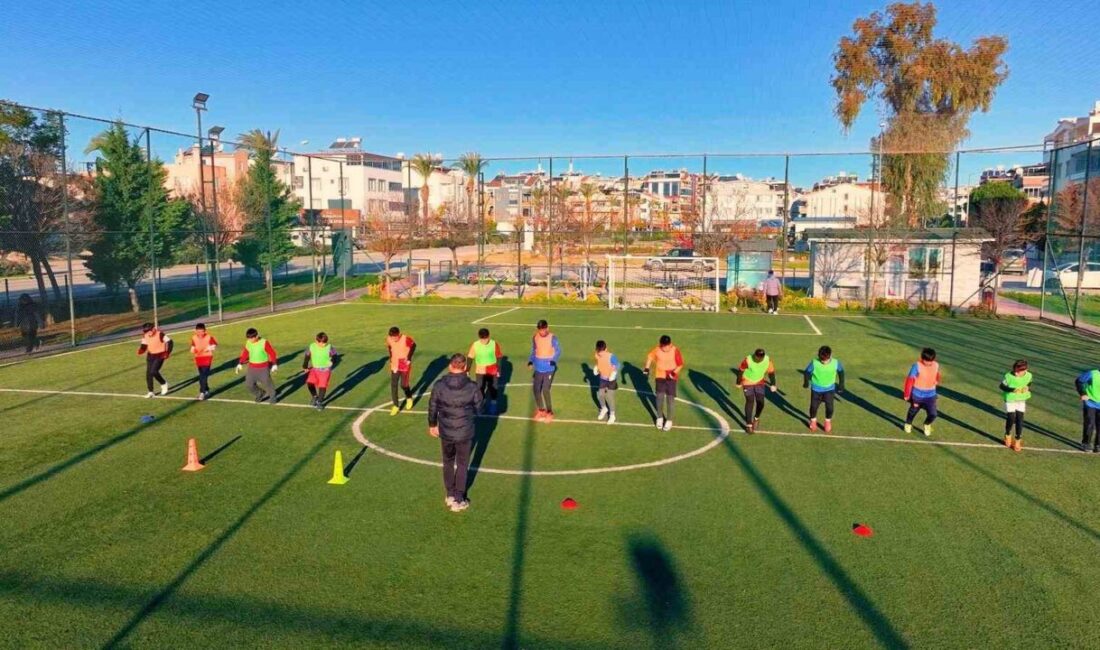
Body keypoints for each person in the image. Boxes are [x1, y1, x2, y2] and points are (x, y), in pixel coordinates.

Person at [428, 353, 483, 513]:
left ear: (450, 366)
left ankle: (450, 494)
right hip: (465, 431)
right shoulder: (472, 386)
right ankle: (459, 498)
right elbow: (480, 409)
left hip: (445, 430)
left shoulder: (439, 385)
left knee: (448, 461)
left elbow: (432, 406)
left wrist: (432, 424)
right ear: (465, 367)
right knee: (463, 464)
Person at [644, 334, 684, 431]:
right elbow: (650, 357)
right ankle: (659, 418)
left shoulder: (675, 350)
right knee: (659, 397)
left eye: (666, 346)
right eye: (663, 346)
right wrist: (646, 368)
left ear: (670, 344)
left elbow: (680, 364)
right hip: (660, 375)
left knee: (670, 399)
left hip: (671, 377)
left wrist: (673, 374)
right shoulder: (657, 349)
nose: (665, 348)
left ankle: (669, 420)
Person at [803, 345, 845, 433]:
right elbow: (807, 372)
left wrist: (841, 384)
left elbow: (841, 372)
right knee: (813, 407)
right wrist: (806, 382)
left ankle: (827, 421)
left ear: (830, 356)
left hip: (829, 389)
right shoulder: (814, 362)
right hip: (816, 389)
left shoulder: (836, 362)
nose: (823, 362)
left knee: (830, 407)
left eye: (825, 360)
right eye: (821, 359)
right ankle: (813, 420)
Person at [735, 348, 777, 433]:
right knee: (750, 401)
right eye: (756, 357)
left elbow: (771, 372)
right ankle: (749, 425)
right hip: (747, 381)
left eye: (759, 358)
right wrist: (738, 382)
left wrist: (773, 384)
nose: (757, 359)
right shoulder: (748, 359)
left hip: (759, 382)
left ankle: (756, 418)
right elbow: (740, 370)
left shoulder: (767, 360)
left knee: (761, 402)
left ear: (762, 357)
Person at [528, 319, 561, 422]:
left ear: (547, 328)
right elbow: (534, 350)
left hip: (549, 368)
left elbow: (558, 351)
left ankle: (549, 412)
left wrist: (553, 360)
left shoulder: (553, 338)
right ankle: (541, 410)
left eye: (543, 329)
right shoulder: (535, 337)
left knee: (545, 389)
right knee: (536, 389)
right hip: (538, 367)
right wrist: (530, 361)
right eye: (540, 330)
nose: (541, 332)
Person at [903, 347, 940, 437]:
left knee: (933, 414)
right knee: (914, 410)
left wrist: (937, 380)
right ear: (922, 358)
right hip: (917, 395)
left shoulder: (936, 365)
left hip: (930, 394)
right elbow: (910, 380)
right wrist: (907, 394)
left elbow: (937, 374)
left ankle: (927, 424)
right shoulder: (916, 366)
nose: (928, 363)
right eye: (926, 360)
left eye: (930, 361)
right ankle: (908, 423)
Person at [236, 327, 278, 404]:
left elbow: (272, 353)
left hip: (263, 368)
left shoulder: (264, 342)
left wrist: (274, 364)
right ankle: (260, 393)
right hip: (252, 368)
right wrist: (240, 363)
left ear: (256, 336)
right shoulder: (248, 342)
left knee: (267, 383)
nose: (250, 340)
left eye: (251, 338)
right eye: (248, 338)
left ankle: (273, 396)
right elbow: (245, 352)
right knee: (249, 384)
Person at [467, 328, 503, 415]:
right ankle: (480, 405)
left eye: (486, 339)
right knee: (480, 388)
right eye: (482, 339)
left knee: (493, 387)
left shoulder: (494, 344)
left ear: (488, 336)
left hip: (492, 370)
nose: (484, 341)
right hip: (480, 371)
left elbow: (499, 357)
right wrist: (467, 369)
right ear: (479, 338)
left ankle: (493, 404)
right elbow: (470, 357)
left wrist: (498, 369)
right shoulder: (475, 345)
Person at [1000, 359, 1031, 452]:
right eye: (1015, 371)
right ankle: (1008, 434)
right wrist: (1012, 390)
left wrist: (1027, 387)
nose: (1016, 373)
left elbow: (1029, 382)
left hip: (1021, 399)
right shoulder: (1008, 376)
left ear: (1025, 370)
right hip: (1010, 399)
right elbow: (1001, 386)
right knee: (1011, 417)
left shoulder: (1029, 375)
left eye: (1019, 372)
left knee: (1020, 419)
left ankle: (1018, 440)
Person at [303, 332, 338, 410]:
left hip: (325, 370)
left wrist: (332, 361)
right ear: (316, 341)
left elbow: (335, 356)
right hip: (314, 369)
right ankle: (315, 396)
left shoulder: (329, 347)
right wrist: (305, 366)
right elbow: (307, 355)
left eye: (324, 343)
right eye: (321, 343)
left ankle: (320, 402)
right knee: (310, 383)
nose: (323, 345)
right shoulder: (312, 346)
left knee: (322, 386)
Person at [386, 326, 417, 416]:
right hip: (395, 363)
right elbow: (390, 348)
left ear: (399, 334)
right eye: (392, 337)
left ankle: (409, 397)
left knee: (404, 384)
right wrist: (391, 360)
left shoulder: (405, 339)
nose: (393, 338)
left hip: (404, 363)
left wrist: (409, 358)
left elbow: (413, 345)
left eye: (395, 336)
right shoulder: (389, 339)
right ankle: (396, 406)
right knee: (393, 385)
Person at [137, 322, 173, 398]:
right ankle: (150, 392)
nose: (147, 333)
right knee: (149, 373)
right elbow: (144, 344)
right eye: (145, 331)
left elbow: (170, 342)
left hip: (160, 355)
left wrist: (167, 352)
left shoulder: (160, 334)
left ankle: (163, 383)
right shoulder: (145, 335)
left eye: (148, 331)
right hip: (150, 355)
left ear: (153, 329)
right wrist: (141, 350)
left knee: (153, 371)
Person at [592, 340, 620, 424]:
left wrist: (613, 373)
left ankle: (612, 415)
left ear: (606, 349)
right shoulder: (596, 355)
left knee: (609, 396)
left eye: (602, 351)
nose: (600, 353)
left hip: (611, 379)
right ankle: (604, 408)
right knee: (600, 394)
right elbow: (599, 362)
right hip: (603, 378)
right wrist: (596, 368)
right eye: (599, 351)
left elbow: (617, 365)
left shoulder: (611, 356)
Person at [189, 323, 218, 400]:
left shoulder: (209, 337)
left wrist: (208, 348)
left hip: (207, 357)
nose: (200, 333)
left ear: (205, 331)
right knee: (202, 374)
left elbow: (214, 345)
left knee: (203, 375)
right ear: (195, 331)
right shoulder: (194, 337)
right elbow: (193, 346)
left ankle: (202, 392)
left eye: (201, 332)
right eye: (198, 332)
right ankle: (207, 390)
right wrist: (193, 350)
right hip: (198, 358)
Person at [1076, 366, 1100, 453]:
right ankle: (1086, 443)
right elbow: (1079, 381)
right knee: (1090, 423)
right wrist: (1083, 393)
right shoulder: (1093, 374)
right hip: (1090, 402)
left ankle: (1098, 445)